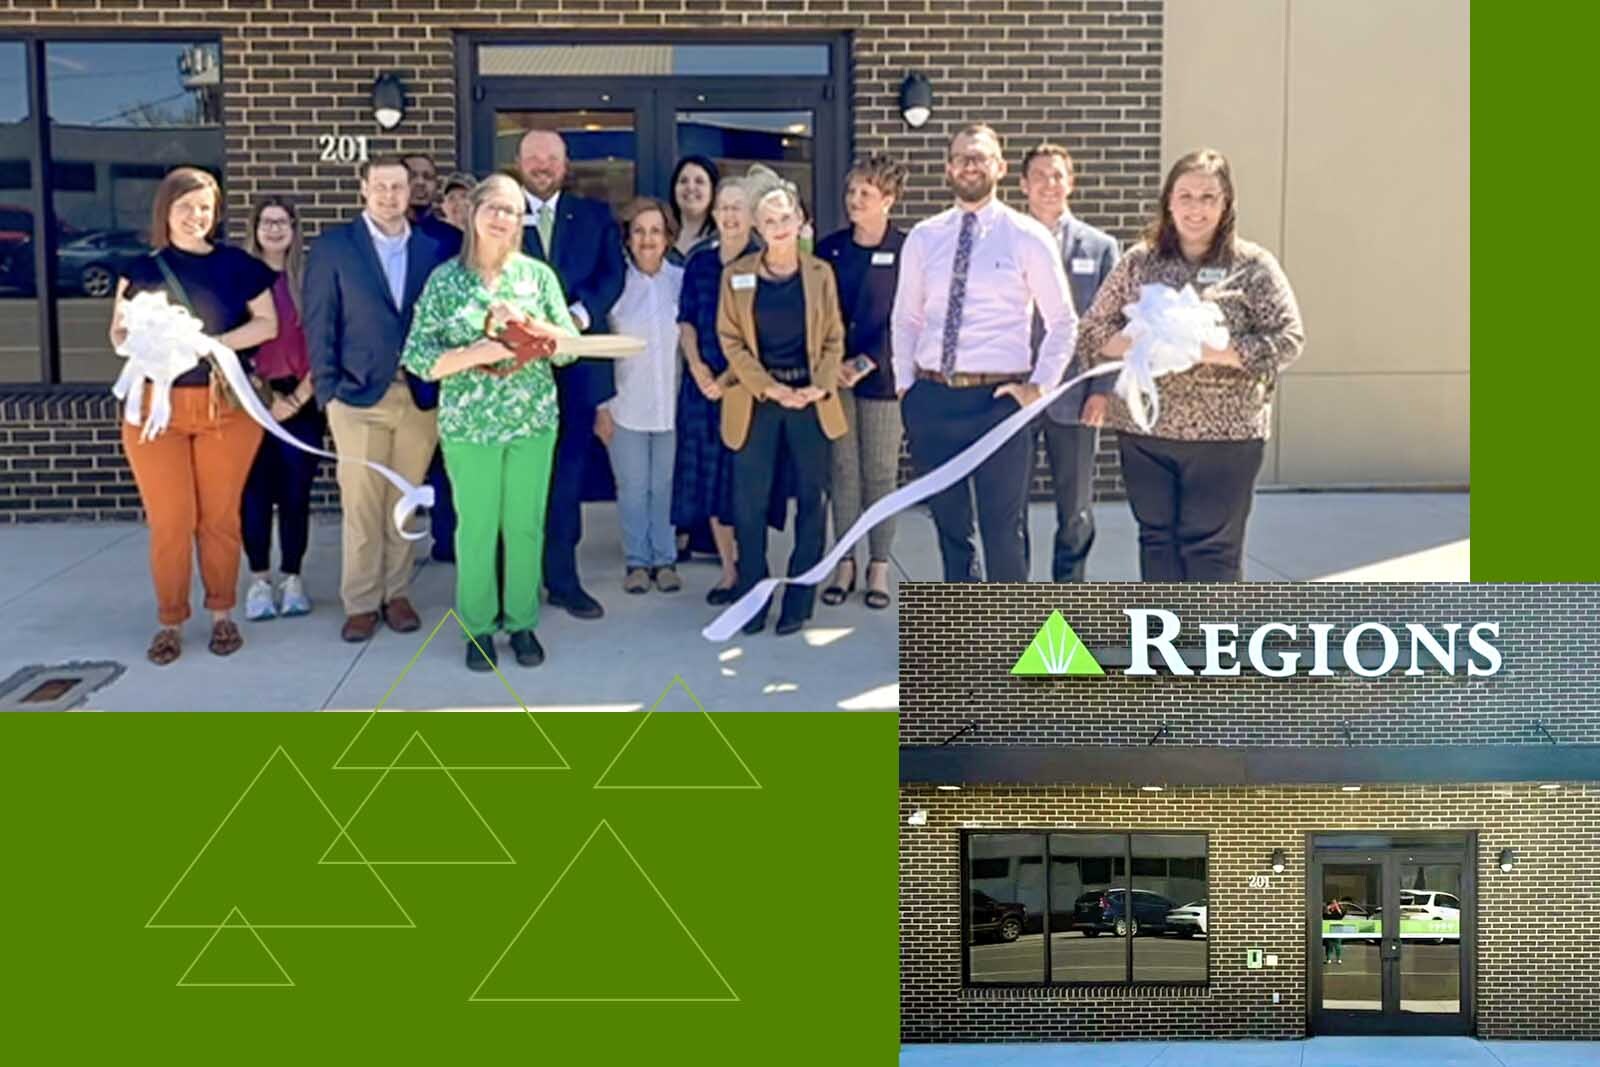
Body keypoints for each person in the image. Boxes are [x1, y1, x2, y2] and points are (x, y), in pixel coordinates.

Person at [1078, 147, 1305, 581]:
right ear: (1168, 201)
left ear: (1226, 204)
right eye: (1185, 196)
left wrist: (1206, 350)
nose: (1195, 208)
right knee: (1157, 541)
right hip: (1146, 437)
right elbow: (1090, 333)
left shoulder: (1253, 266)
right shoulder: (1139, 262)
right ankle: (1163, 646)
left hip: (1226, 438)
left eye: (1208, 197)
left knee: (1212, 549)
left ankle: (1214, 646)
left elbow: (1288, 339)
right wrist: (1140, 342)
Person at [401, 174, 577, 672]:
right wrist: (473, 353)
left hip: (531, 422)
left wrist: (534, 329)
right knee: (476, 530)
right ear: (472, 213)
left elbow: (567, 350)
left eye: (512, 209)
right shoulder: (445, 280)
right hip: (469, 426)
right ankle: (478, 629)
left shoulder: (537, 277)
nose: (502, 217)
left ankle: (521, 623)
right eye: (493, 207)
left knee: (524, 527)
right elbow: (417, 355)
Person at [891, 123, 1077, 582]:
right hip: (934, 399)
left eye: (981, 157)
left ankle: (1010, 641)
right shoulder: (923, 237)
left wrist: (1039, 387)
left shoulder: (1027, 236)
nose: (970, 164)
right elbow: (906, 320)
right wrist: (905, 387)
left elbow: (1063, 322)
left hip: (999, 402)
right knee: (951, 529)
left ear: (1000, 167)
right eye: (961, 157)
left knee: (1002, 529)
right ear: (948, 168)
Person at [109, 166, 278, 665]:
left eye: (204, 208)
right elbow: (117, 336)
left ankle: (222, 613)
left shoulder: (238, 266)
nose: (195, 217)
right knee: (170, 520)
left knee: (220, 518)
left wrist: (210, 346)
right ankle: (170, 620)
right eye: (185, 207)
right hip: (154, 410)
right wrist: (145, 334)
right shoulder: (140, 268)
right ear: (166, 211)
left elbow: (266, 324)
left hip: (223, 407)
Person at [304, 156, 453, 642]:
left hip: (418, 394)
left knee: (404, 502)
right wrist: (327, 392)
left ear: (411, 193)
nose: (390, 196)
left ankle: (397, 593)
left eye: (399, 187)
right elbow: (319, 321)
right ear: (363, 189)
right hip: (356, 395)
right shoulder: (333, 248)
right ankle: (362, 601)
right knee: (364, 506)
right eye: (381, 186)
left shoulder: (438, 247)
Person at [717, 167, 847, 636]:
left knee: (811, 501)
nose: (779, 226)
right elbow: (731, 341)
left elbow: (834, 337)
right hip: (758, 400)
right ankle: (753, 597)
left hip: (811, 400)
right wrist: (768, 387)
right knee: (748, 504)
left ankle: (799, 599)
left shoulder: (820, 274)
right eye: (769, 220)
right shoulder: (736, 276)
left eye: (785, 217)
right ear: (758, 227)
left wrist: (821, 384)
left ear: (799, 219)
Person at [516, 128, 626, 620]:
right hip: (514, 375)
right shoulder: (498, 216)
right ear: (519, 163)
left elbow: (612, 277)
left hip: (577, 371)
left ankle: (562, 579)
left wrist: (578, 318)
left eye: (551, 157)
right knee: (517, 481)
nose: (541, 165)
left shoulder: (596, 216)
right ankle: (514, 583)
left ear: (565, 165)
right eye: (533, 157)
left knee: (566, 478)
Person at [1019, 143, 1120, 582]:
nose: (1049, 184)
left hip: (1076, 396)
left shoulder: (1100, 248)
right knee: (1008, 510)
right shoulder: (1003, 240)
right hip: (1015, 396)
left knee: (1075, 510)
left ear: (1071, 183)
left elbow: (1113, 324)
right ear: (1023, 185)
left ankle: (1068, 607)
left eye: (1058, 175)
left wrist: (1101, 390)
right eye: (1039, 175)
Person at [816, 153, 909, 611]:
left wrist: (869, 360)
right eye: (851, 191)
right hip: (835, 379)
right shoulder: (829, 249)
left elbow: (911, 318)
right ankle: (845, 560)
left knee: (880, 474)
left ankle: (878, 565)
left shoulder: (909, 250)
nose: (854, 200)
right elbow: (817, 312)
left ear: (887, 200)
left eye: (865, 194)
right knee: (843, 472)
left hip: (884, 380)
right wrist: (834, 364)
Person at [674, 177, 759, 604]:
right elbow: (686, 321)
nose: (728, 215)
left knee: (745, 484)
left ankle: (754, 567)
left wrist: (727, 380)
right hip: (701, 389)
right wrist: (699, 369)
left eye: (737, 207)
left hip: (748, 391)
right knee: (711, 481)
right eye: (723, 207)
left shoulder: (765, 262)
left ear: (751, 216)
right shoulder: (699, 263)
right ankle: (728, 571)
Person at [240, 196, 321, 622]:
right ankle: (258, 580)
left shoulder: (308, 281)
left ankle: (292, 577)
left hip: (301, 402)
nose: (273, 230)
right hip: (251, 399)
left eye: (282, 222)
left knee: (295, 494)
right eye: (266, 222)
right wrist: (263, 395)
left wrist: (296, 399)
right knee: (253, 496)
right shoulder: (238, 280)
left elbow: (324, 344)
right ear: (254, 229)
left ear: (294, 229)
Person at [600, 197, 686, 594]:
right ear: (628, 238)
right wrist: (601, 407)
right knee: (632, 486)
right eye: (639, 231)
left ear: (668, 236)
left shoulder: (680, 281)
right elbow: (599, 347)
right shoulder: (616, 284)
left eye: (655, 231)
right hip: (625, 404)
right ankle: (637, 560)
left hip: (672, 404)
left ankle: (664, 559)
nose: (647, 239)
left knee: (665, 485)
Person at [401, 152, 463, 255]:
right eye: (411, 176)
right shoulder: (383, 236)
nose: (420, 182)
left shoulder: (454, 238)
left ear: (436, 185)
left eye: (428, 177)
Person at [667, 155, 719, 266]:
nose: (690, 187)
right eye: (683, 181)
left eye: (699, 181)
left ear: (713, 191)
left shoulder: (724, 241)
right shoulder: (662, 238)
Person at [1323, 898, 1345, 964]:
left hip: (1337, 929)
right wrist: (1328, 907)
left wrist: (1336, 906)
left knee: (1337, 945)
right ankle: (1329, 959)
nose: (1334, 905)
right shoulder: (1327, 912)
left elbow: (1341, 914)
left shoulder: (1338, 912)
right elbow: (1324, 914)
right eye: (1332, 903)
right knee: (1329, 945)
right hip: (1329, 929)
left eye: (1335, 903)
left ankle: (1338, 959)